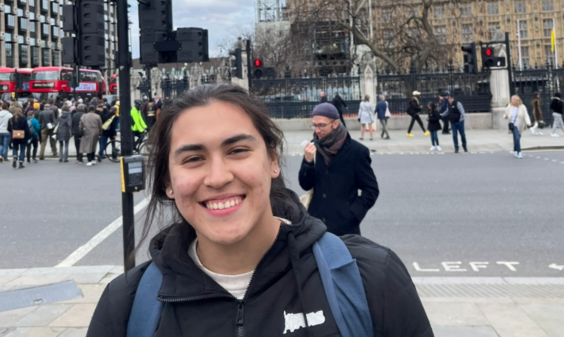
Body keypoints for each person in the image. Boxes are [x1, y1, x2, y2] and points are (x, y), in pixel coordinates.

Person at [87, 84, 432, 336]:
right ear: (168, 182)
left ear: (272, 160)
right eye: (193, 159)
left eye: (237, 150)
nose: (219, 177)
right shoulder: (125, 306)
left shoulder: (372, 279)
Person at [299, 102, 379, 236]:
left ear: (335, 124)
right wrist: (308, 161)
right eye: (315, 125)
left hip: (344, 229)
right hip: (316, 226)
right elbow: (305, 184)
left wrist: (352, 214)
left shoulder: (357, 152)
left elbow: (371, 190)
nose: (317, 130)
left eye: (322, 125)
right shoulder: (314, 146)